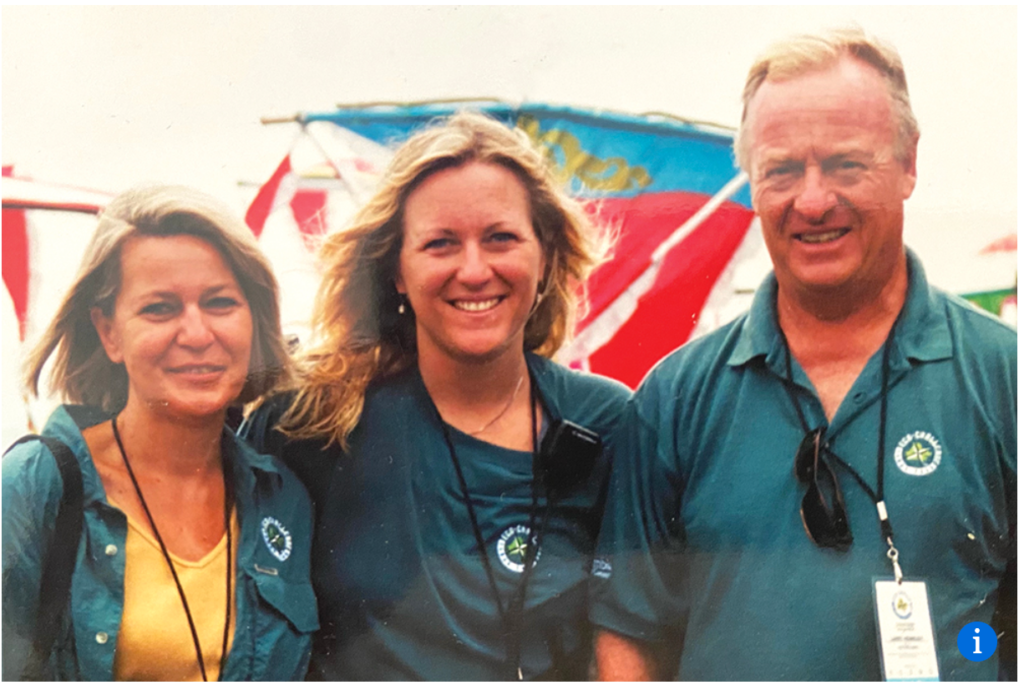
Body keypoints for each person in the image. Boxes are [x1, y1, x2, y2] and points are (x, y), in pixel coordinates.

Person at [590, 27, 1016, 681]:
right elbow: (629, 640)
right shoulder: (673, 399)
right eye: (782, 170)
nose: (812, 201)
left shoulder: (1006, 379)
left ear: (908, 163)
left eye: (846, 165)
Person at [240, 111, 630, 680]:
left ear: (544, 254)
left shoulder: (609, 425)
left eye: (500, 238)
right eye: (440, 244)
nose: (473, 271)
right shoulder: (309, 423)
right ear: (397, 270)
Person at [2, 185, 318, 681]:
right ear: (109, 332)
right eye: (160, 308)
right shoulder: (34, 486)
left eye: (220, 303)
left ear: (255, 323)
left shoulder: (281, 498)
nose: (196, 334)